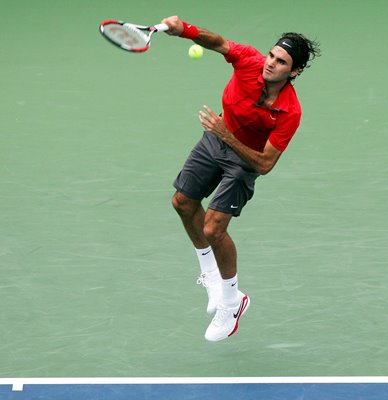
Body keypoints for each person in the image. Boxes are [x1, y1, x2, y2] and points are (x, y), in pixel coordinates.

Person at [161, 16, 320, 342]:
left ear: (294, 72)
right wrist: (184, 30)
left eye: (281, 62)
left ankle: (232, 300)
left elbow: (264, 164)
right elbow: (217, 41)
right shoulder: (249, 60)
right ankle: (210, 274)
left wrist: (227, 134)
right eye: (272, 55)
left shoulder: (290, 112)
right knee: (181, 202)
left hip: (244, 160)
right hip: (215, 141)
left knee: (213, 228)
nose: (270, 64)